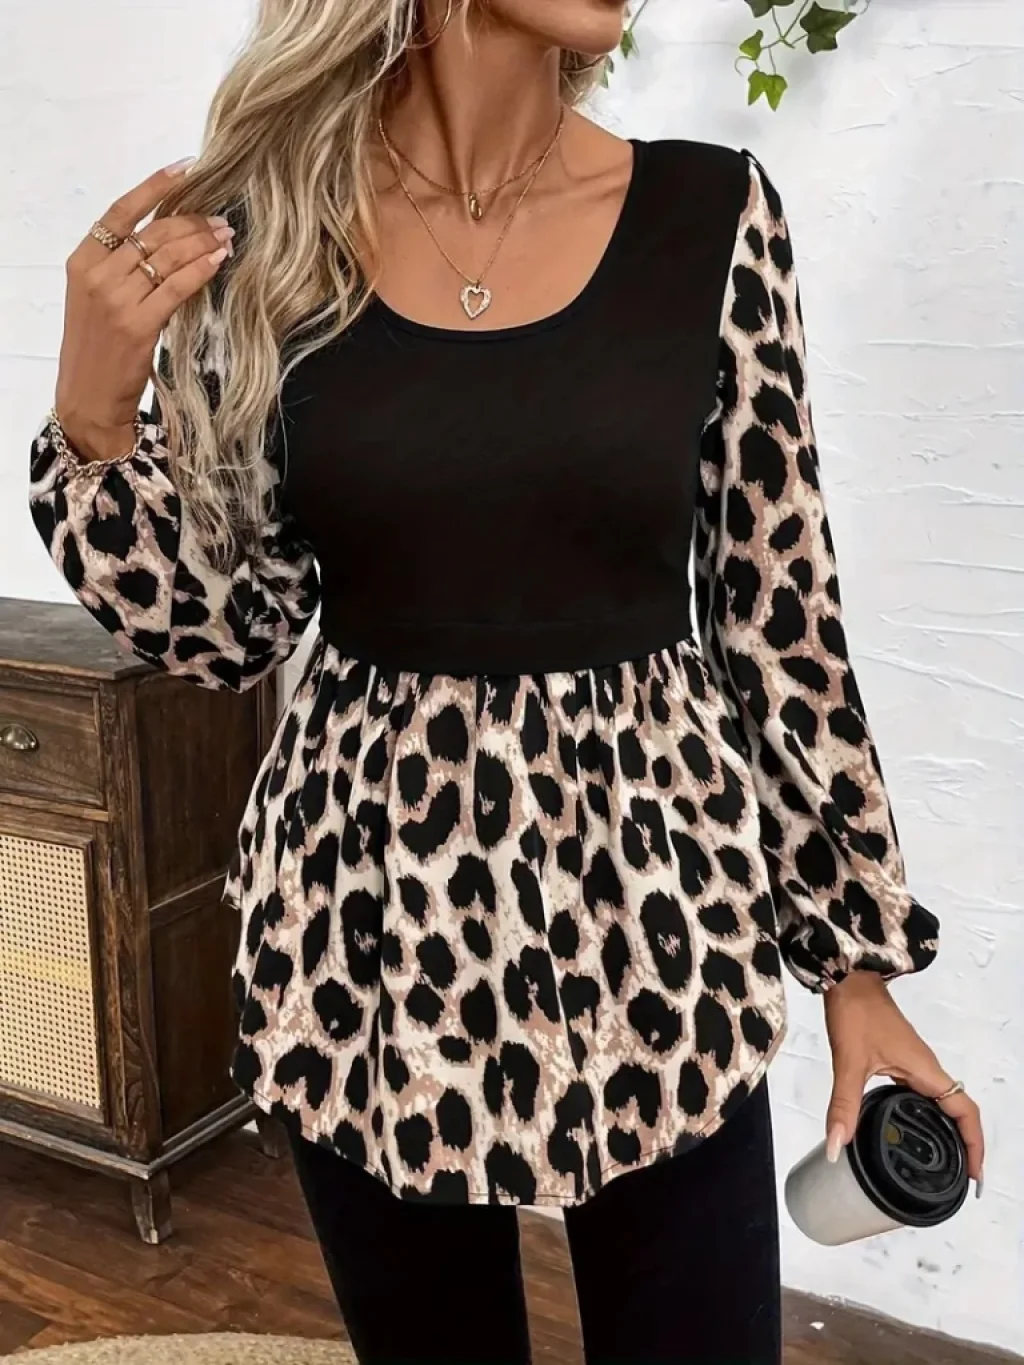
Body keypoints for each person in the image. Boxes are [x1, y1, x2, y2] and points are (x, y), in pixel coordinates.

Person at [28, 1, 985, 1362]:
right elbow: (232, 630)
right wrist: (92, 422)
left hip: (661, 915)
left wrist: (856, 964)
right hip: (366, 925)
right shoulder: (272, 236)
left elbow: (781, 611)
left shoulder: (711, 216)